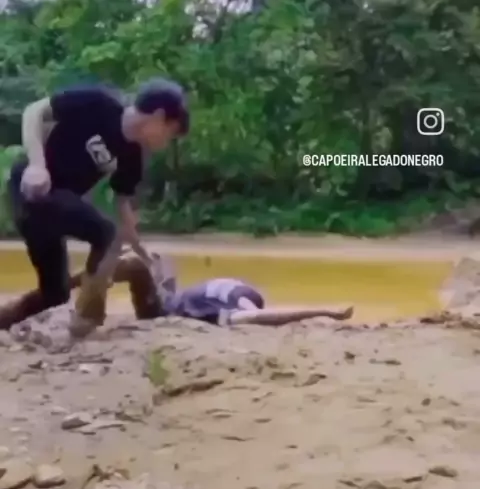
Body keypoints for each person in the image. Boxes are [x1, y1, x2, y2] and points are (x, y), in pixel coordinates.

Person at [8, 79, 189, 331]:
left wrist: (145, 255)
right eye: (170, 133)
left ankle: (4, 321)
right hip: (32, 190)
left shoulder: (133, 155)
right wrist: (37, 164)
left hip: (55, 209)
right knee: (105, 232)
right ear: (158, 117)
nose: (166, 143)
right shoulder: (100, 103)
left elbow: (124, 209)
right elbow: (34, 111)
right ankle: (87, 319)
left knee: (55, 294)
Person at [153, 258, 354, 326]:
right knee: (254, 316)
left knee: (255, 316)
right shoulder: (236, 297)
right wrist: (326, 311)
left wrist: (326, 311)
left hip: (214, 295)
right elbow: (269, 316)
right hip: (224, 293)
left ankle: (326, 310)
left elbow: (265, 315)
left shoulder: (233, 296)